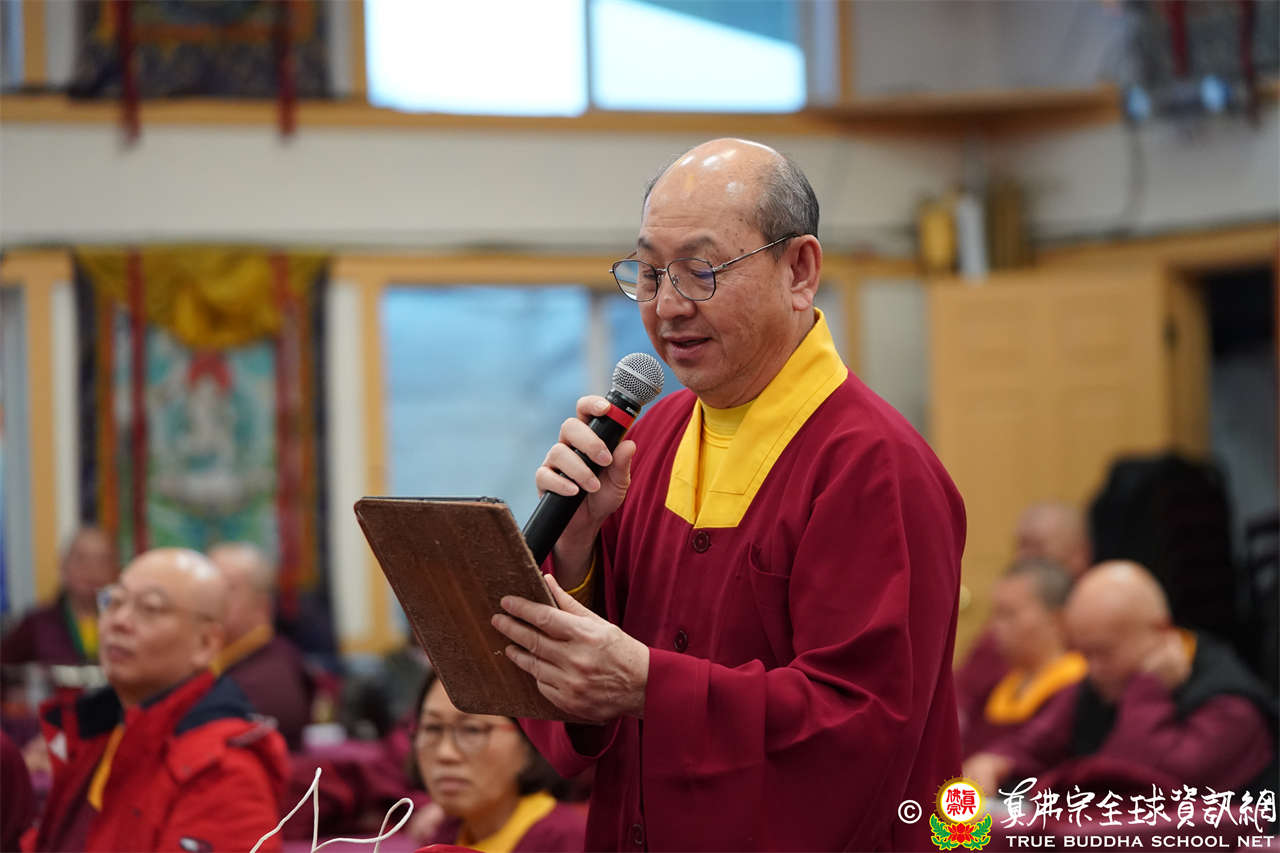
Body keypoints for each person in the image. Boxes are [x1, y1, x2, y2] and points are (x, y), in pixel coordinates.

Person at [492, 138, 966, 850]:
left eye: (700, 271)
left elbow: (866, 726)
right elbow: (582, 714)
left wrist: (652, 685)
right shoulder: (648, 441)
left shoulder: (875, 466)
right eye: (650, 273)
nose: (667, 306)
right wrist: (578, 547)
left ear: (799, 270)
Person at [25, 548, 289, 852]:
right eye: (114, 602)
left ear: (206, 643)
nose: (119, 621)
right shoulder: (98, 731)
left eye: (150, 608)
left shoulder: (224, 769)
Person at [964, 560, 1277, 796]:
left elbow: (1136, 787)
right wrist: (996, 760)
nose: (1092, 668)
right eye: (1084, 654)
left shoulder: (1231, 707)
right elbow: (1035, 743)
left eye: (1103, 653)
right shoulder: (1098, 683)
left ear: (1161, 632)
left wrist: (1148, 690)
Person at [409, 672, 585, 852]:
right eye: (432, 728)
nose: (445, 753)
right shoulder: (444, 834)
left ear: (528, 741)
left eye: (472, 730)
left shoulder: (566, 841)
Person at [955, 501, 1092, 731]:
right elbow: (961, 700)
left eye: (1036, 547)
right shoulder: (997, 640)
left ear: (1079, 555)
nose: (1023, 558)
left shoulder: (1097, 626)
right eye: (1020, 546)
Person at [961, 558, 1085, 756]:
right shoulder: (1002, 685)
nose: (994, 628)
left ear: (1056, 620)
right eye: (995, 614)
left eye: (1008, 614)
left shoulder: (1077, 685)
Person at [208, 542, 314, 749]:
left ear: (262, 604)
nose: (214, 598)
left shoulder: (272, 674)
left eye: (228, 588)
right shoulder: (217, 658)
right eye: (209, 588)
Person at [2, 526, 118, 665]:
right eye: (81, 559)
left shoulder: (123, 624)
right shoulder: (36, 624)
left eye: (102, 561)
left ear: (115, 569)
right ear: (63, 564)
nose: (92, 569)